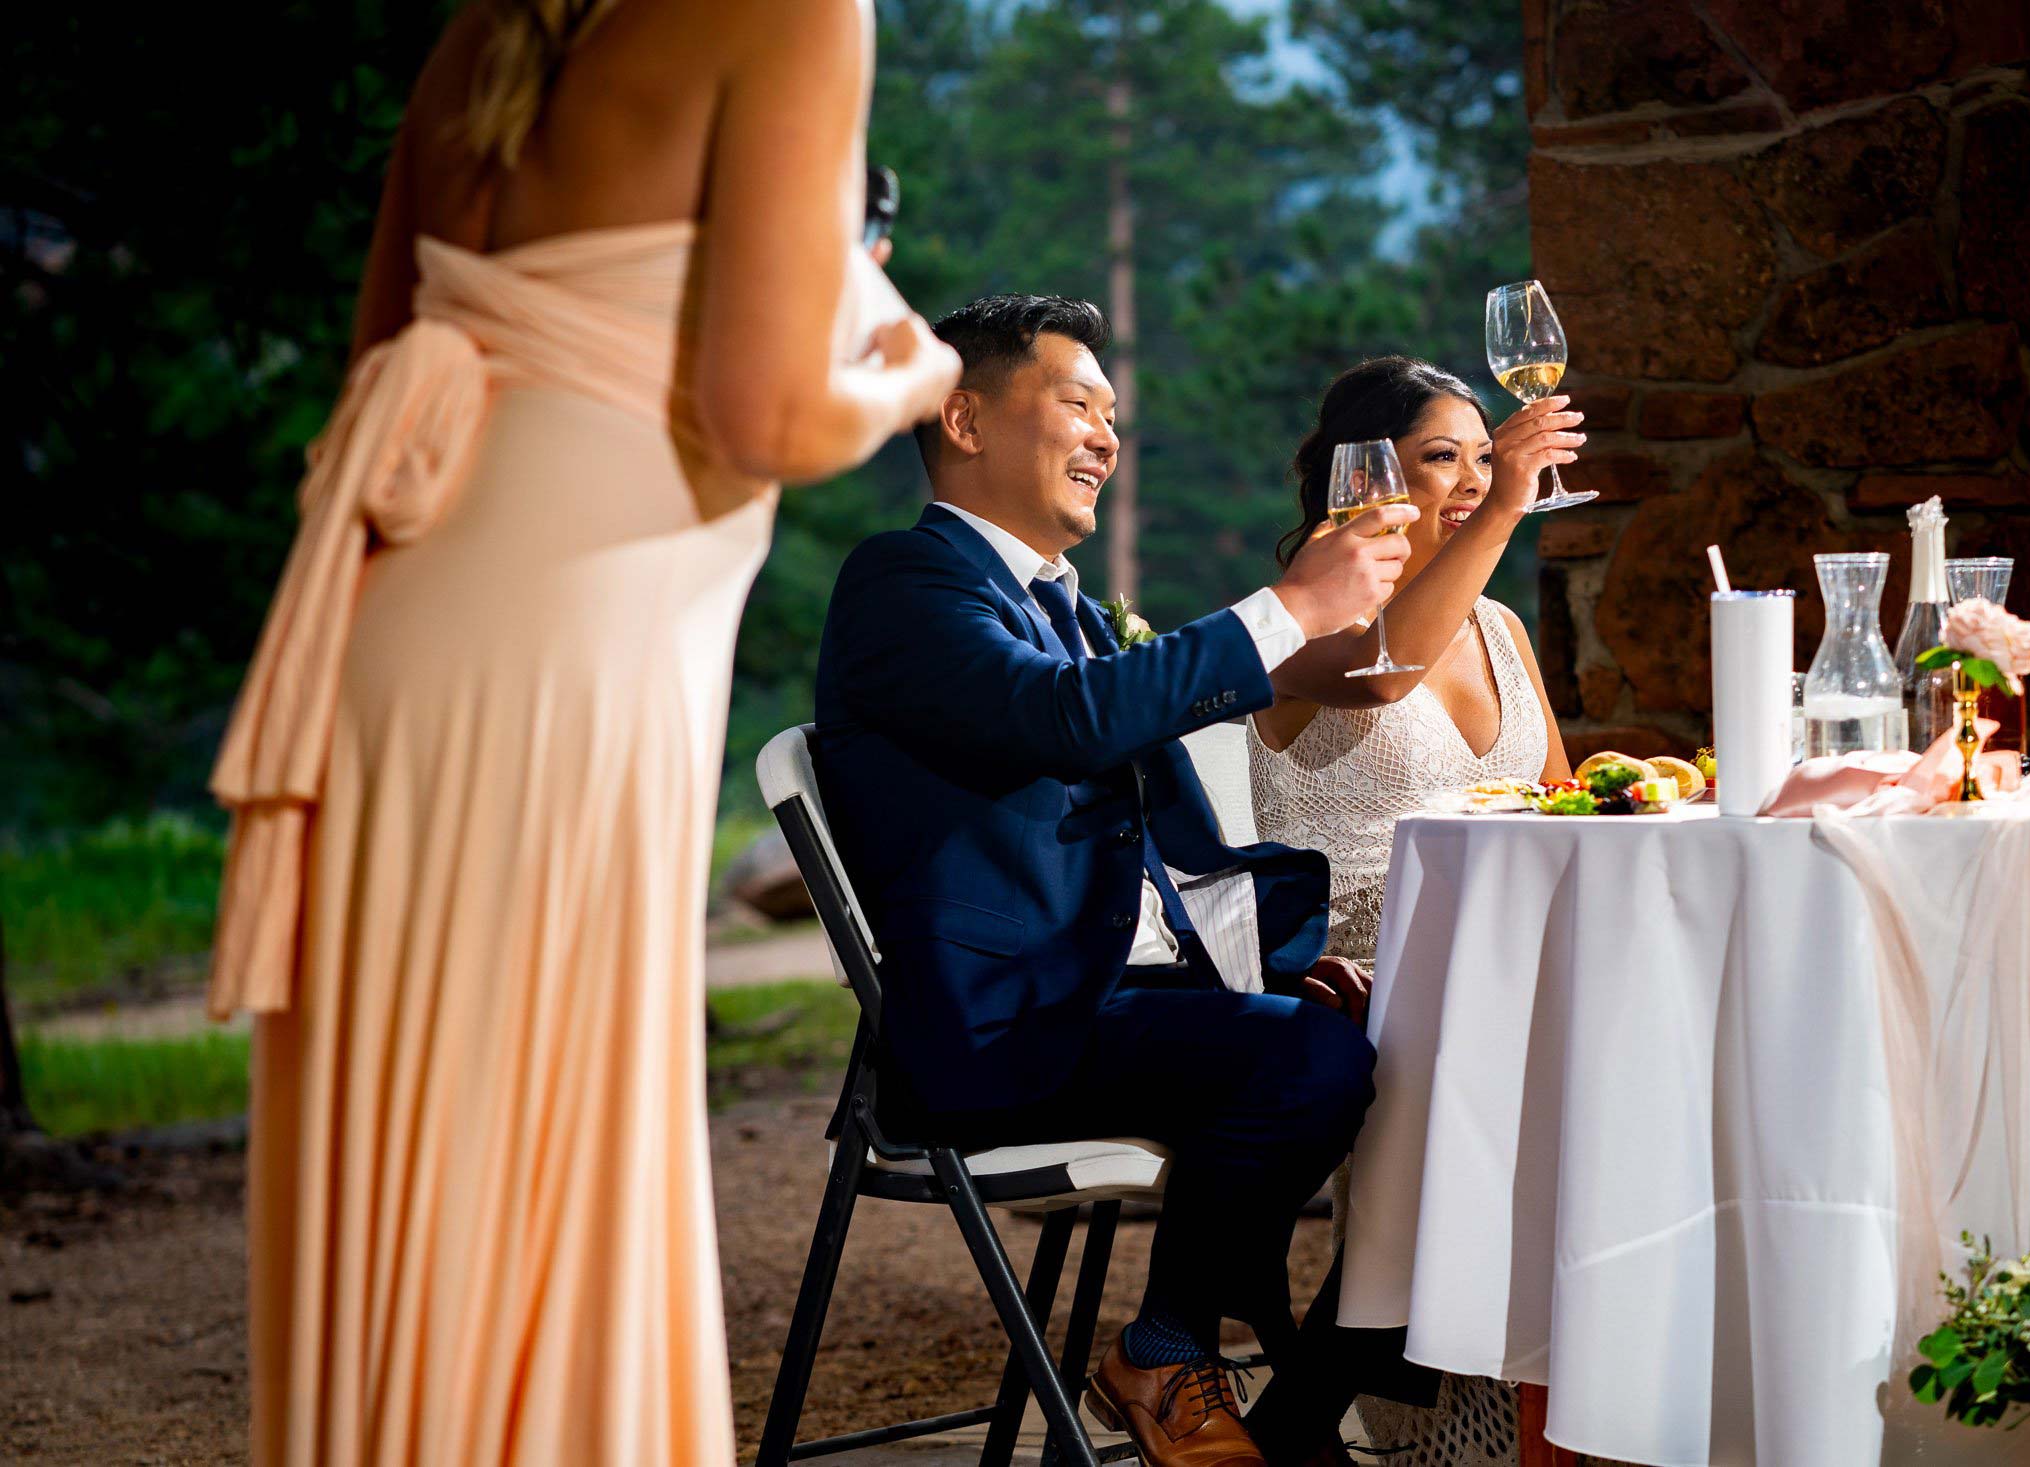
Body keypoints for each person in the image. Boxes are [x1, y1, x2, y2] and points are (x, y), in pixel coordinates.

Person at [204, 1, 958, 1460]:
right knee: (538, 1147)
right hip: (564, 665)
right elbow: (774, 419)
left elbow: (387, 352)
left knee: (418, 1151)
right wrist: (913, 361)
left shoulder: (481, 39)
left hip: (391, 634)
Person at [812, 294, 1411, 1467]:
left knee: (1378, 1028)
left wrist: (1277, 964)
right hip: (1002, 1026)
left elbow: (1151, 846)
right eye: (1077, 404)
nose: (1106, 436)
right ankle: (1179, 1353)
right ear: (964, 418)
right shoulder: (903, 583)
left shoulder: (1074, 610)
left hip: (1097, 1002)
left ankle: (1306, 1374)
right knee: (1309, 1063)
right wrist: (1288, 607)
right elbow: (1067, 721)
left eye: (1114, 416)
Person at [1245, 357, 1585, 1467]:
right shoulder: (1303, 612)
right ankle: (1314, 1405)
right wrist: (1503, 511)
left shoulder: (1498, 630)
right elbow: (1387, 672)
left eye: (1485, 458)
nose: (1473, 480)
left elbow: (1568, 804)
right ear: (1358, 477)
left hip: (1502, 955)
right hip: (1355, 962)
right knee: (1501, 1044)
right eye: (1443, 456)